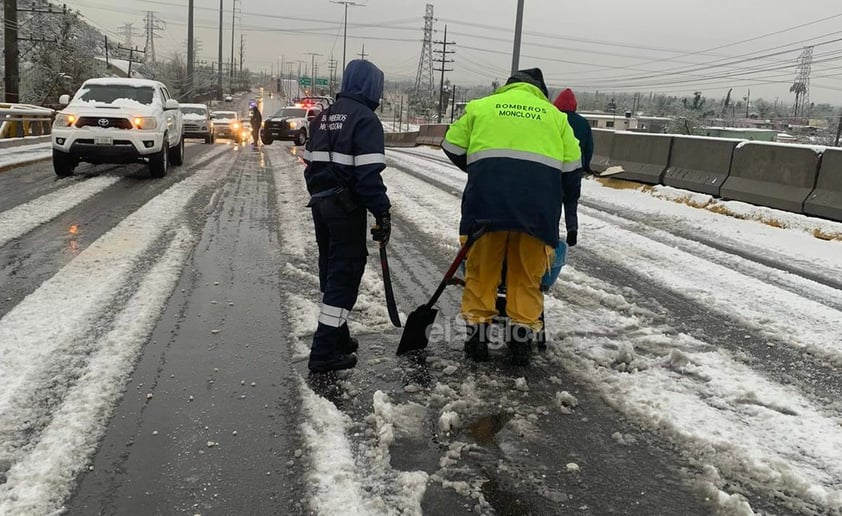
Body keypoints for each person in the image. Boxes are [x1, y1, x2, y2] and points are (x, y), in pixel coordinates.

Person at [442, 68, 581, 366]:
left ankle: (477, 339)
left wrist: (482, 169)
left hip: (485, 205)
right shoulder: (555, 117)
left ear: (508, 87)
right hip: (538, 210)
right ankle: (520, 343)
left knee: (482, 271)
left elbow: (451, 145)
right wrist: (561, 201)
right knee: (526, 275)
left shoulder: (482, 107)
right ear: (539, 91)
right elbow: (572, 169)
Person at [302, 59, 391, 373]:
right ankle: (323, 352)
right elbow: (368, 176)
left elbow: (309, 165)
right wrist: (382, 211)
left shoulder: (322, 117)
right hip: (345, 209)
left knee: (331, 269)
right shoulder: (364, 120)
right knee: (345, 274)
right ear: (371, 88)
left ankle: (338, 337)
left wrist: (323, 194)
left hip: (321, 205)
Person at [552, 88, 593, 247]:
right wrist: (586, 164)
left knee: (554, 201)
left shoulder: (555, 119)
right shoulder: (583, 122)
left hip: (555, 167)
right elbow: (589, 146)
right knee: (571, 202)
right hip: (575, 167)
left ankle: (554, 232)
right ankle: (572, 229)